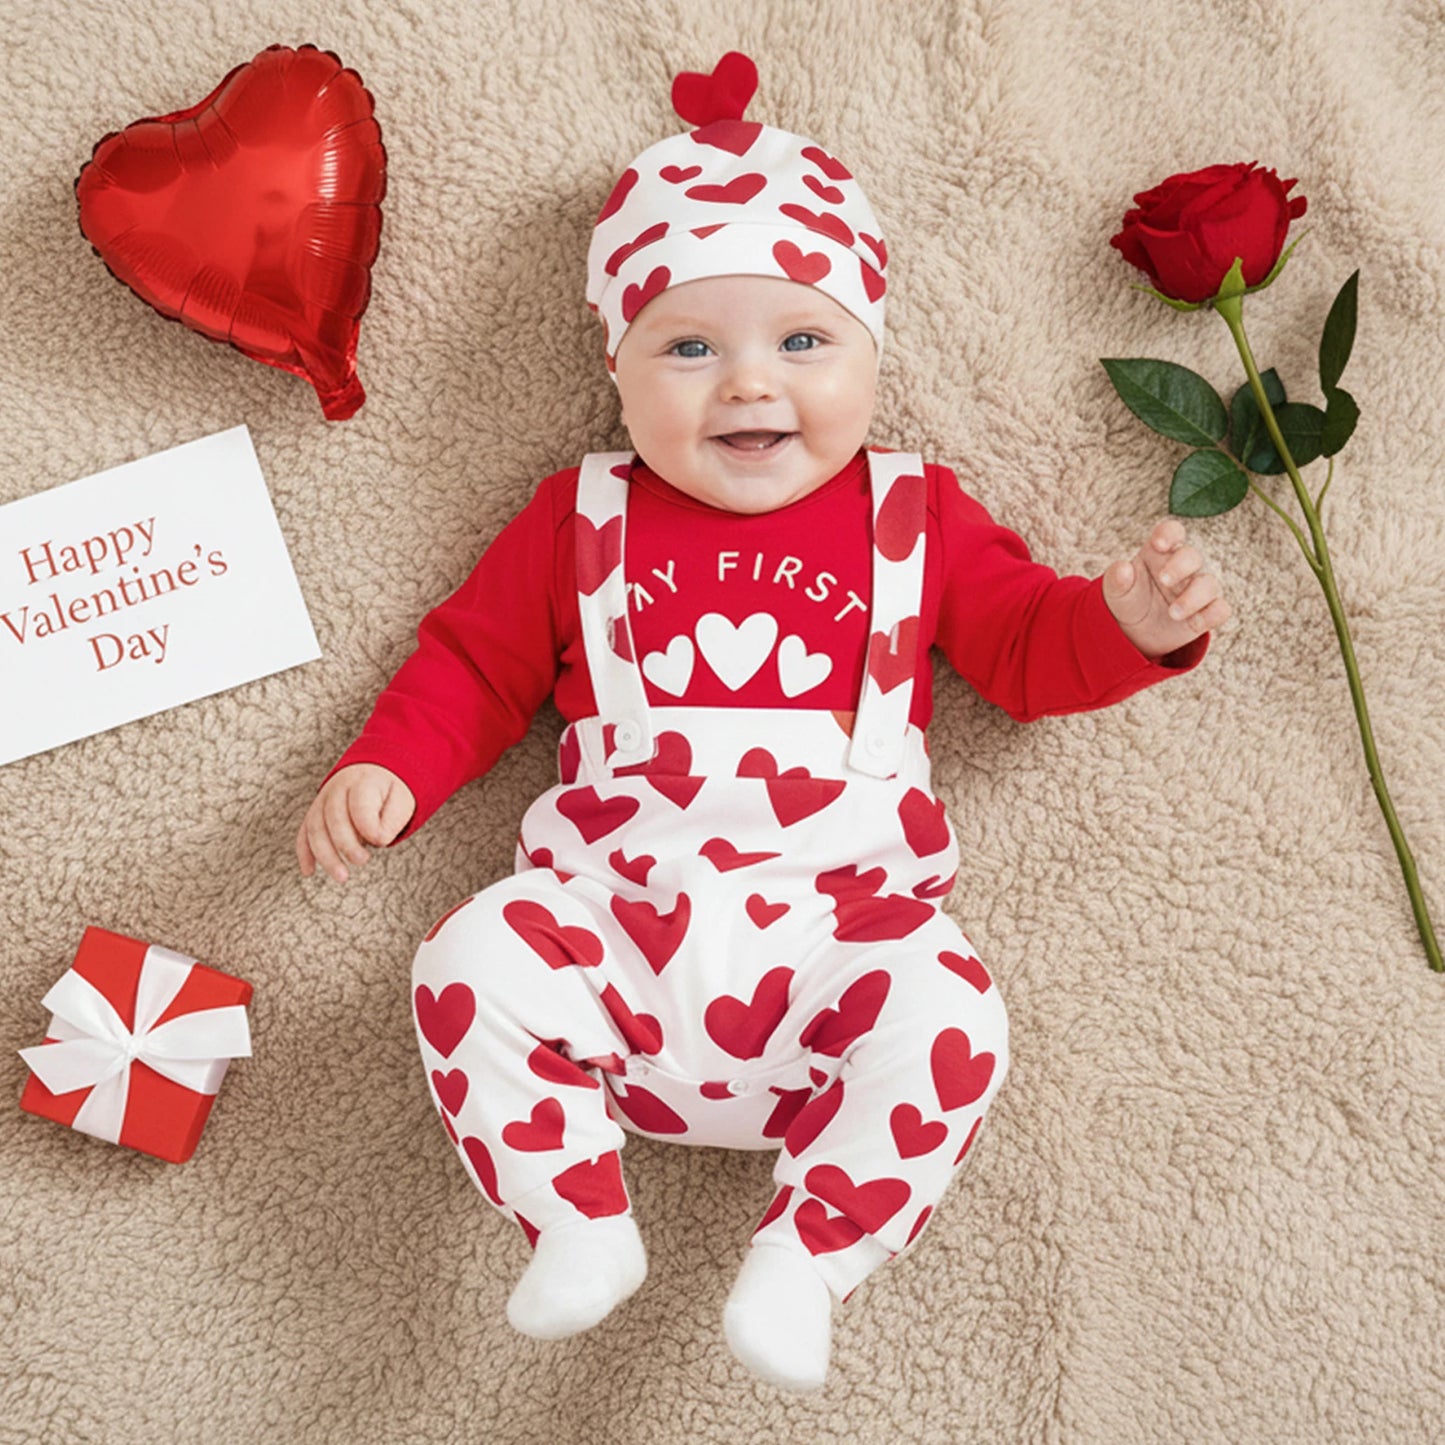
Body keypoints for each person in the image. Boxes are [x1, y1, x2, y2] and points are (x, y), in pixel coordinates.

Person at [295, 51, 1230, 1392]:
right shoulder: (582, 515)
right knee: (464, 957)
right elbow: (474, 664)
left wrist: (1130, 623)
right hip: (607, 932)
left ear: (866, 349)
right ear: (618, 370)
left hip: (835, 945)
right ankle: (576, 1217)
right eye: (689, 346)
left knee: (954, 1011)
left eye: (802, 341)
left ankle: (807, 1256)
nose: (747, 385)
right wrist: (390, 766)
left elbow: (1025, 652)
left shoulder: (912, 513)